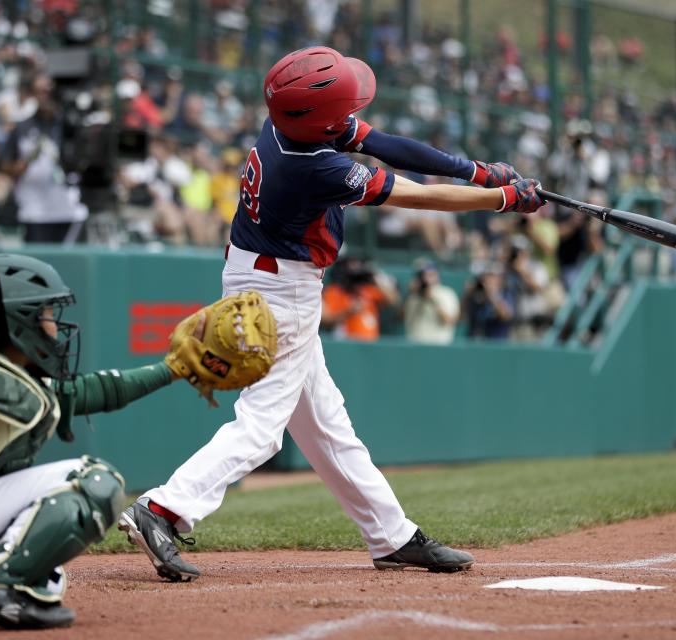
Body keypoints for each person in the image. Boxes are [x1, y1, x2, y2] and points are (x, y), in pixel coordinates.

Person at [117, 46, 544, 581]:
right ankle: (162, 510)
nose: (350, 118)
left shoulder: (289, 127)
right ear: (317, 118)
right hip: (283, 292)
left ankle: (392, 536)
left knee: (326, 425)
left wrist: (477, 172)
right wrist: (502, 200)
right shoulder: (316, 165)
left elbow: (389, 145)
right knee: (264, 427)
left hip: (261, 276)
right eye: (341, 110)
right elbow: (413, 196)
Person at [0, 254, 191, 629]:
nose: (55, 326)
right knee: (95, 482)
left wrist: (174, 370)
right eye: (47, 313)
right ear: (18, 322)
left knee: (46, 579)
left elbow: (89, 391)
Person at [0, 75, 88, 244]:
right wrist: (26, 162)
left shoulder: (69, 126)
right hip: (33, 209)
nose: (45, 97)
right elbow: (4, 165)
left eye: (49, 92)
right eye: (40, 92)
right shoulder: (22, 127)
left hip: (67, 207)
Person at [321, 257, 399, 341]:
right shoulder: (334, 292)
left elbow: (394, 301)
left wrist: (375, 276)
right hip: (347, 343)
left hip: (371, 344)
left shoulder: (367, 290)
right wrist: (348, 312)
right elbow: (326, 320)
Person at [404, 258, 460, 345]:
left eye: (430, 275)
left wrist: (432, 300)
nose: (426, 279)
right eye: (422, 275)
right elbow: (401, 318)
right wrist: (411, 295)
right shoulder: (413, 295)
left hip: (439, 346)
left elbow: (449, 321)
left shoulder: (447, 293)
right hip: (415, 346)